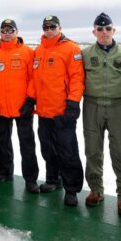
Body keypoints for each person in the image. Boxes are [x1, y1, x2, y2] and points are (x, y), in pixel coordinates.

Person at [81, 13, 121, 215]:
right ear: (93, 31)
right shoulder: (85, 54)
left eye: (108, 28)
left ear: (114, 30)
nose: (104, 32)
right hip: (92, 105)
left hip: (118, 106)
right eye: (100, 29)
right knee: (93, 150)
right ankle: (96, 190)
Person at [32, 15, 85, 204]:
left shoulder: (71, 48)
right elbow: (34, 79)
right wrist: (31, 99)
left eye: (52, 26)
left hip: (63, 110)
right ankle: (53, 179)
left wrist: (73, 103)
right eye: (45, 26)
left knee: (68, 151)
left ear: (59, 27)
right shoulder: (39, 50)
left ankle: (72, 189)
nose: (49, 29)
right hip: (44, 111)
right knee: (48, 149)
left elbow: (77, 78)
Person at [0, 19, 39, 189]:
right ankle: (4, 172)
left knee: (27, 144)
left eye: (10, 30)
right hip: (0, 107)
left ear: (16, 31)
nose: (6, 34)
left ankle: (30, 179)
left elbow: (33, 78)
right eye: (3, 31)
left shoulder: (27, 52)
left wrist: (30, 100)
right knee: (2, 142)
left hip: (22, 107)